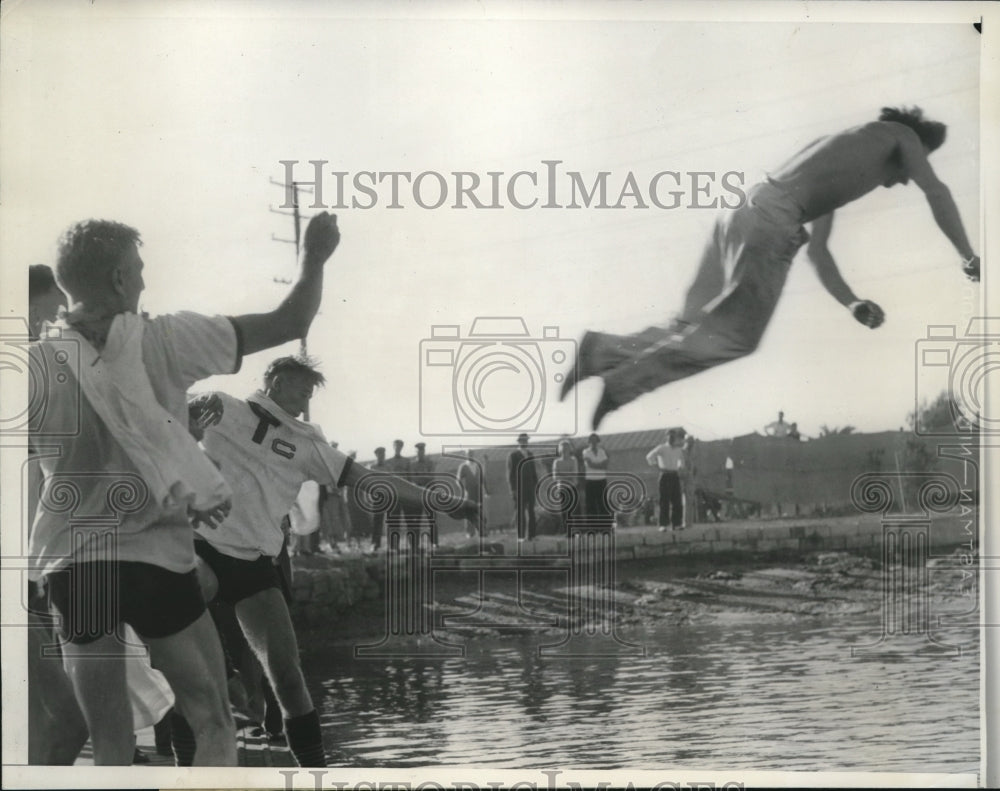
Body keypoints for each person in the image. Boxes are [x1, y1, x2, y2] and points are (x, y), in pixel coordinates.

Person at [28, 211, 340, 765]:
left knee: (111, 740)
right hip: (155, 557)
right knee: (214, 718)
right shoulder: (166, 339)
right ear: (121, 280)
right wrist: (314, 256)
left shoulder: (30, 367)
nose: (145, 281)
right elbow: (291, 318)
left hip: (72, 561)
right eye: (139, 270)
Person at [559, 106, 981, 429]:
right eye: (916, 164)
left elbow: (818, 252)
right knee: (734, 338)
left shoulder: (843, 148)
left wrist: (852, 303)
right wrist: (967, 255)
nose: (909, 177)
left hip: (743, 210)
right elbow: (936, 191)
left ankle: (601, 351)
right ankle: (622, 385)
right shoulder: (902, 135)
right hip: (772, 220)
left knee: (689, 326)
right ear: (917, 145)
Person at [188, 356, 476, 766]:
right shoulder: (219, 404)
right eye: (301, 389)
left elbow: (373, 481)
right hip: (204, 548)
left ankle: (316, 773)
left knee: (287, 677)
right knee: (187, 651)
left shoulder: (309, 445)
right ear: (274, 380)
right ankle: (196, 729)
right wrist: (185, 440)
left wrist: (445, 500)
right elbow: (159, 425)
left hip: (255, 562)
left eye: (311, 394)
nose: (306, 400)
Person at [646, 429, 686, 531]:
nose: (672, 438)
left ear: (676, 437)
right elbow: (649, 457)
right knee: (664, 501)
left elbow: (682, 461)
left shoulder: (678, 450)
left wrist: (680, 468)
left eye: (674, 436)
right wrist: (656, 466)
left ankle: (677, 524)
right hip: (665, 475)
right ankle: (663, 524)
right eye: (670, 436)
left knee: (677, 501)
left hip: (674, 475)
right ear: (667, 437)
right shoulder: (662, 448)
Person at [507, 433, 540, 542]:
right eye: (522, 440)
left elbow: (534, 472)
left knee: (531, 512)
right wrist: (513, 489)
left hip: (530, 487)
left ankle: (532, 535)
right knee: (520, 512)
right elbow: (511, 474)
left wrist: (536, 485)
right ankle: (521, 536)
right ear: (519, 442)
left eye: (526, 440)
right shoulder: (513, 455)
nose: (524, 442)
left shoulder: (530, 454)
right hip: (519, 488)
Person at [456, 450, 490, 538]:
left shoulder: (478, 465)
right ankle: (469, 532)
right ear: (466, 455)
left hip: (478, 492)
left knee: (479, 511)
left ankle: (482, 531)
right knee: (469, 512)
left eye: (471, 454)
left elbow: (483, 478)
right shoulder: (463, 466)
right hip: (469, 492)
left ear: (473, 454)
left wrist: (486, 491)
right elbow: (458, 480)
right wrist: (464, 490)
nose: (470, 456)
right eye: (468, 454)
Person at [410, 442, 437, 545]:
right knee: (416, 519)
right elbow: (413, 478)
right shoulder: (412, 464)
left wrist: (421, 477)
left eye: (422, 451)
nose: (420, 453)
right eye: (418, 452)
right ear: (416, 452)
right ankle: (415, 543)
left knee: (432, 519)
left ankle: (434, 542)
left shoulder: (430, 463)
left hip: (429, 492)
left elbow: (432, 477)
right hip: (417, 494)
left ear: (424, 451)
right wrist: (424, 477)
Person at [551, 440, 580, 530]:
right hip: (562, 488)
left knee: (573, 510)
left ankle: (575, 530)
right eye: (563, 449)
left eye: (566, 449)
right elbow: (555, 477)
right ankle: (567, 531)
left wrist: (563, 475)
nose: (565, 451)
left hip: (572, 487)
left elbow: (574, 474)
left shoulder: (573, 460)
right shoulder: (557, 462)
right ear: (560, 450)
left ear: (569, 449)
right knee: (564, 510)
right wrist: (567, 476)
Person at [581, 433, 610, 519]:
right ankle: (592, 526)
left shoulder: (602, 451)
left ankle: (605, 526)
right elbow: (589, 465)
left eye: (595, 440)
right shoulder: (585, 452)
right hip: (590, 480)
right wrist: (599, 465)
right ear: (589, 442)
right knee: (591, 504)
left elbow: (605, 466)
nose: (593, 442)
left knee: (603, 503)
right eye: (592, 440)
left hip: (602, 480)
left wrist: (595, 465)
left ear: (597, 441)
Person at [368, 447, 388, 550]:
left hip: (388, 495)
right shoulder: (372, 466)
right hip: (377, 497)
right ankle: (375, 543)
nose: (382, 456)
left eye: (383, 454)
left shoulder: (388, 467)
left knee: (390, 520)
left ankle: (392, 544)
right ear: (376, 455)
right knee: (377, 521)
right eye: (380, 455)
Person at [681, 435, 698, 528]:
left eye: (692, 442)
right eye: (689, 442)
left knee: (689, 501)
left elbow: (693, 467)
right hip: (681, 477)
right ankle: (680, 522)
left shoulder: (692, 454)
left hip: (690, 478)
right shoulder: (681, 452)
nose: (690, 444)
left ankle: (688, 523)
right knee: (680, 501)